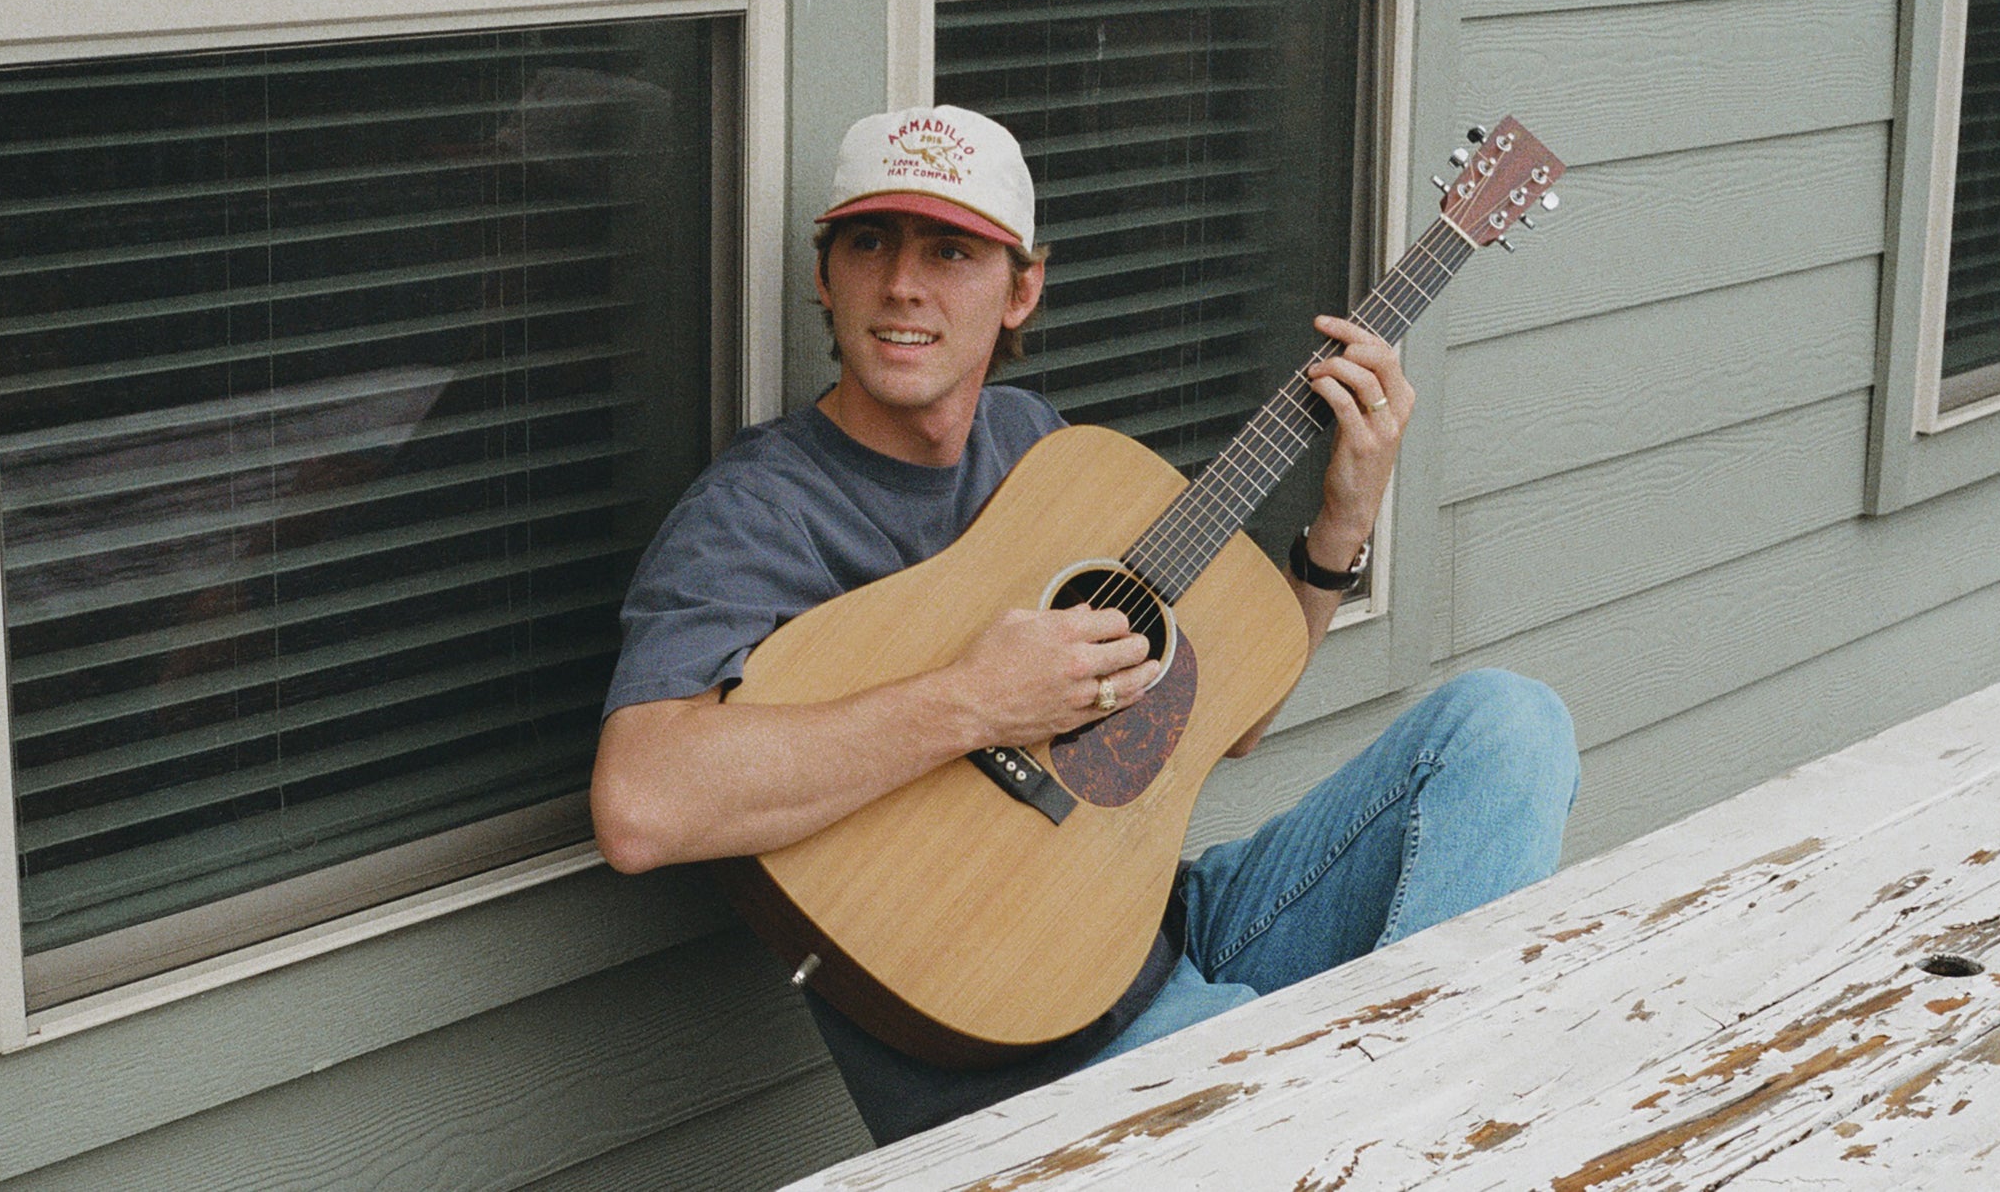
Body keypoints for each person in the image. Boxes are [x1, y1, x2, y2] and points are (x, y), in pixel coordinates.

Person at [590, 105, 1578, 1143]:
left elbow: (1225, 718)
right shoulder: (758, 512)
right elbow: (640, 803)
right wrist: (971, 700)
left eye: (950, 250)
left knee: (1507, 724)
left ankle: (1428, 1106)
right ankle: (1421, 1126)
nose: (902, 285)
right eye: (868, 242)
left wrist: (1340, 521)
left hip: (1163, 931)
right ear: (824, 275)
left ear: (1022, 288)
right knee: (1303, 1098)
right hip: (1033, 1057)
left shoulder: (1032, 445)